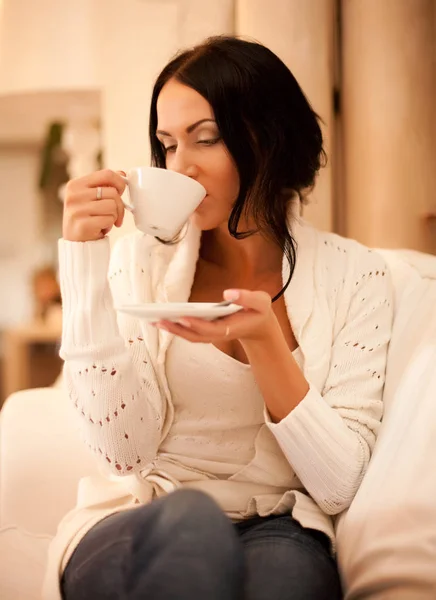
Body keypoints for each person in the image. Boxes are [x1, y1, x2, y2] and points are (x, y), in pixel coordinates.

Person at [44, 36, 394, 600]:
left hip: (277, 523)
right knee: (193, 527)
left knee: (290, 582)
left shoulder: (357, 277)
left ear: (270, 139)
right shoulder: (137, 264)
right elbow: (122, 453)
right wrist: (83, 262)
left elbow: (337, 486)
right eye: (168, 145)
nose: (180, 166)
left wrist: (264, 342)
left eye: (205, 139)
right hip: (143, 515)